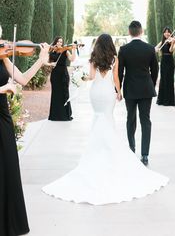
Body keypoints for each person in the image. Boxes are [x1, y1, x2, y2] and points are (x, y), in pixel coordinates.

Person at [42, 34, 168, 205]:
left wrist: (81, 78)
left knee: (98, 118)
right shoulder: (114, 57)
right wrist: (119, 92)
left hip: (95, 92)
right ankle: (108, 149)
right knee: (108, 119)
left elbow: (92, 77)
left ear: (98, 44)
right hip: (108, 92)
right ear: (110, 45)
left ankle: (97, 149)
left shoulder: (94, 57)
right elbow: (116, 78)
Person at [0, 25, 49, 236]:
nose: (1, 40)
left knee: (8, 168)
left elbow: (23, 79)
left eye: (0, 34)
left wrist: (41, 59)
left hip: (2, 120)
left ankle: (9, 224)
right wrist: (2, 89)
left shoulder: (3, 56)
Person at [118, 21, 159, 166]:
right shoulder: (150, 49)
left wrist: (119, 90)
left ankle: (131, 149)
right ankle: (145, 155)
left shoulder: (123, 49)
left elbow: (120, 72)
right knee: (145, 120)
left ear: (129, 32)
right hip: (146, 88)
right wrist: (151, 84)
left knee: (131, 119)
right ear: (141, 31)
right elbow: (155, 70)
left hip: (130, 89)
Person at [48, 36, 76, 121]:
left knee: (64, 93)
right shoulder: (52, 51)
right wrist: (51, 64)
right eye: (58, 42)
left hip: (63, 74)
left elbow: (72, 59)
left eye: (61, 42)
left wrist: (74, 49)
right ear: (55, 42)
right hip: (55, 75)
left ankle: (65, 115)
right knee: (56, 94)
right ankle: (55, 115)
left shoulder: (65, 50)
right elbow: (47, 61)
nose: (60, 43)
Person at [155, 27, 175, 106]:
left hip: (170, 61)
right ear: (163, 33)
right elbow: (155, 48)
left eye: (168, 32)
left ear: (170, 33)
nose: (167, 33)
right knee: (163, 79)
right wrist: (157, 49)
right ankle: (162, 100)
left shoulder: (173, 41)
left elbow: (171, 51)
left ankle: (169, 101)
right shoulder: (162, 41)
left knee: (169, 80)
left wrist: (172, 43)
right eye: (165, 32)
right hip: (163, 61)